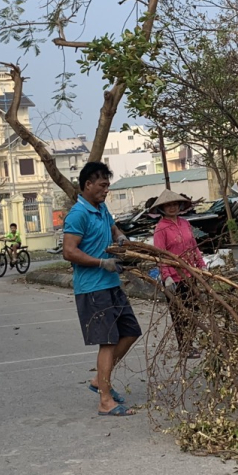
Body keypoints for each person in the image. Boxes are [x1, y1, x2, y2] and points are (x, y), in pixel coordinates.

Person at [62, 161, 141, 417]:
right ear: (88, 184)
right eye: (103, 185)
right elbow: (69, 251)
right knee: (107, 342)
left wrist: (119, 237)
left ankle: (99, 380)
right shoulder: (78, 214)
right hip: (92, 288)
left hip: (111, 284)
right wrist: (101, 262)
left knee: (130, 332)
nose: (106, 190)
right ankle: (105, 401)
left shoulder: (101, 208)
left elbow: (112, 225)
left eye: (108, 185)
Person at [151, 189, 205, 359]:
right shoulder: (161, 228)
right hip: (174, 278)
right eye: (168, 205)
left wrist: (201, 265)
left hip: (190, 274)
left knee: (194, 310)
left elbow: (193, 246)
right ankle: (185, 347)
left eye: (174, 204)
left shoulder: (184, 223)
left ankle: (191, 342)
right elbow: (161, 254)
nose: (172, 207)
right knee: (180, 314)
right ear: (162, 208)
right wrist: (166, 275)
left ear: (180, 205)